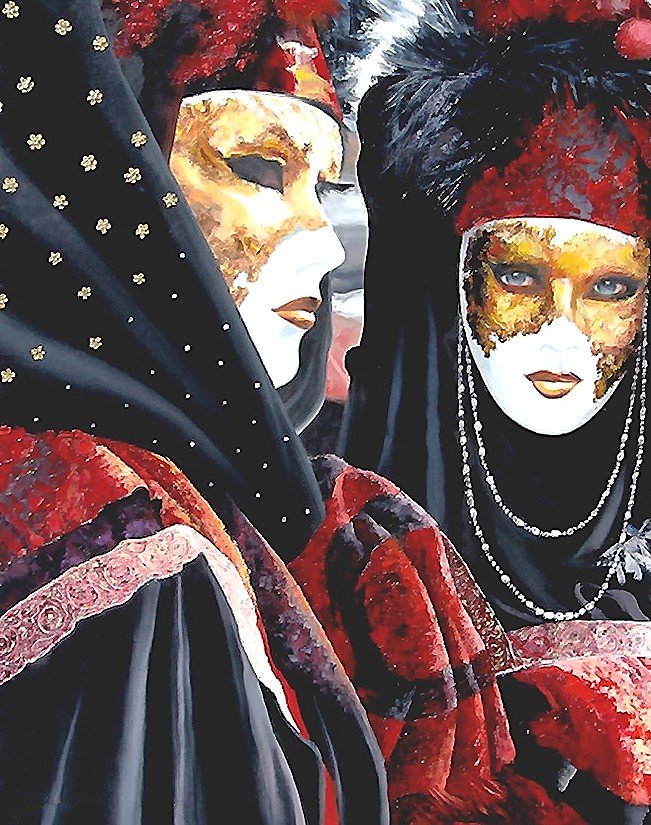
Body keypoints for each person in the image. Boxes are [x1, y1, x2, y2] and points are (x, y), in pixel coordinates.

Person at [323, 0, 651, 820]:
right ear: (450, 288)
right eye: (518, 275)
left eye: (608, 287)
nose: (558, 331)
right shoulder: (350, 572)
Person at [0, 0, 389, 821]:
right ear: (105, 177)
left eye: (325, 187)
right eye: (257, 169)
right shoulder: (113, 540)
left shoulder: (228, 504)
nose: (324, 244)